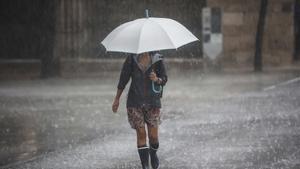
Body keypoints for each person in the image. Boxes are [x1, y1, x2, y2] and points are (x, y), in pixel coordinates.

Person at [112, 52, 167, 169]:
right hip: (135, 102)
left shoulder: (157, 58)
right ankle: (145, 166)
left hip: (153, 103)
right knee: (141, 134)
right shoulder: (131, 58)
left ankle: (153, 154)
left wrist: (157, 79)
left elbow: (164, 79)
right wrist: (117, 99)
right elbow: (123, 79)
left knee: (153, 137)